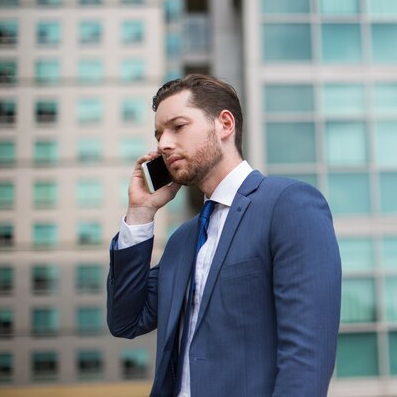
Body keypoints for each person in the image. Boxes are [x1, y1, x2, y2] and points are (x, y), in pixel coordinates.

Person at [106, 74, 342, 397]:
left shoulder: (288, 205)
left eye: (178, 126)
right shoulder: (182, 241)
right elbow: (126, 321)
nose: (163, 144)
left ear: (225, 125)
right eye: (159, 134)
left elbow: (306, 358)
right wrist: (141, 212)